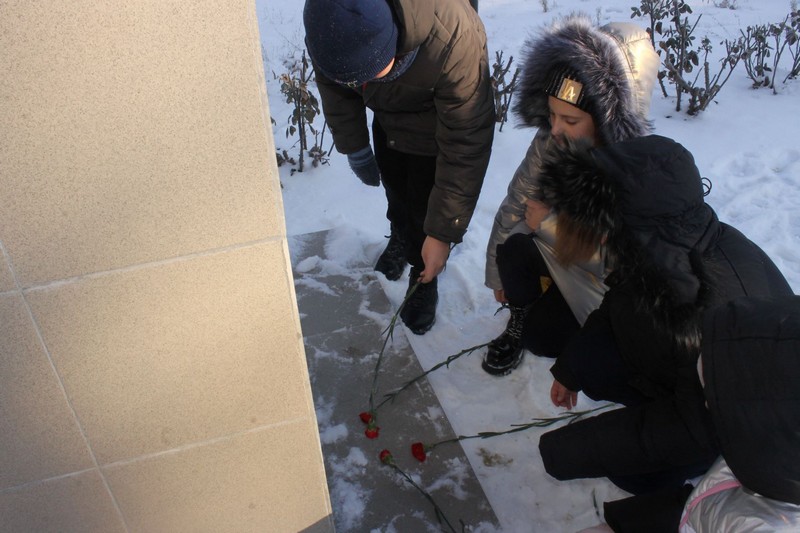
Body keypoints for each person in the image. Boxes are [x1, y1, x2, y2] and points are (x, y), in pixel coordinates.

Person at [532, 135, 793, 509]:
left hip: (730, 423)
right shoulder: (663, 248)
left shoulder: (708, 308)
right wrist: (573, 368)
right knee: (596, 367)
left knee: (637, 476)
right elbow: (619, 302)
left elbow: (693, 427)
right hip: (677, 371)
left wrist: (572, 448)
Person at [303, 0, 495, 335]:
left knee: (423, 201)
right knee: (395, 188)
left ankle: (423, 274)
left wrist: (442, 233)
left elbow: (466, 142)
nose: (360, 84)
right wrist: (355, 145)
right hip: (389, 121)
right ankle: (401, 237)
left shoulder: (454, 35)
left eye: (370, 73)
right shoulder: (329, 19)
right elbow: (334, 85)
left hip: (436, 130)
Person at [482, 15, 659, 375]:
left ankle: (583, 337)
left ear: (608, 115)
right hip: (560, 255)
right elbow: (518, 198)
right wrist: (497, 274)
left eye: (571, 120)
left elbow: (619, 268)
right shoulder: (553, 139)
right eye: (552, 115)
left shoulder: (640, 171)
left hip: (599, 285)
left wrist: (549, 225)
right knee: (512, 246)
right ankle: (522, 314)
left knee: (543, 338)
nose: (555, 129)